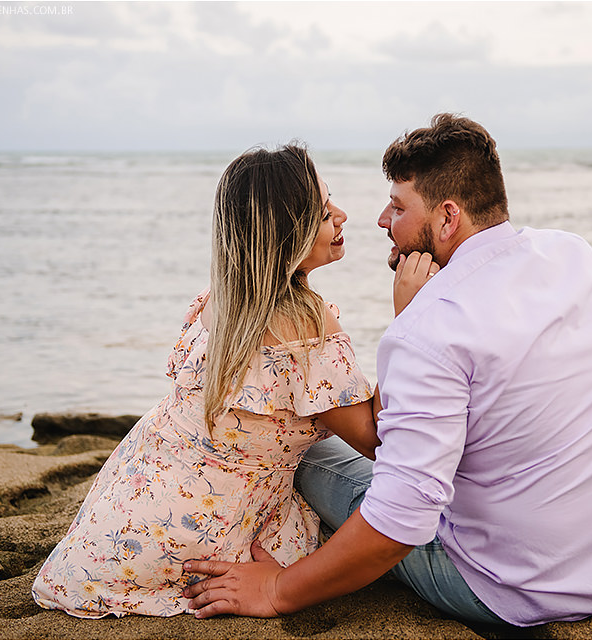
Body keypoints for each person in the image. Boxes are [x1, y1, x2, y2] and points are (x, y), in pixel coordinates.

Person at [182, 114, 592, 627]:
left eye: (398, 207)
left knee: (306, 456)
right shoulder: (574, 254)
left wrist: (277, 592)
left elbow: (400, 519)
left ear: (447, 219)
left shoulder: (429, 326)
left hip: (517, 587)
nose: (381, 220)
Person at [32, 145, 385, 618]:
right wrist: (412, 314)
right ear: (287, 234)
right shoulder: (306, 327)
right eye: (323, 213)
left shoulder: (217, 303)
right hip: (199, 529)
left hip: (131, 504)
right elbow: (380, 440)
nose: (341, 216)